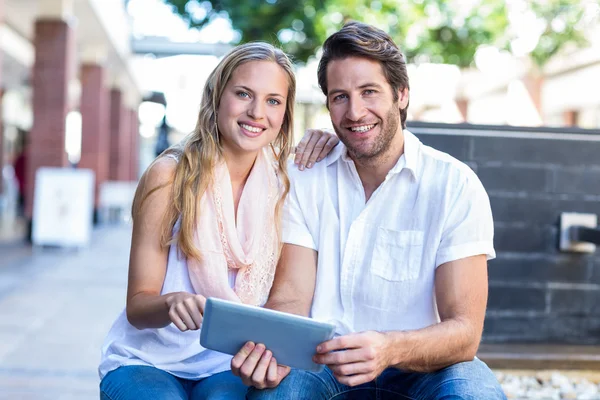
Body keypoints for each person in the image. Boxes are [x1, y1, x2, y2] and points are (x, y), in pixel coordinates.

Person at [233, 22, 507, 399]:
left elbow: (464, 333)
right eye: (340, 96)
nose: (355, 112)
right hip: (321, 363)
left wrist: (390, 347)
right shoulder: (306, 178)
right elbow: (292, 297)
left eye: (369, 92)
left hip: (423, 367)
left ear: (402, 94)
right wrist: (274, 349)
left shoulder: (454, 185)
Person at [98, 42, 338, 400]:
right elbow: (137, 306)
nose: (257, 112)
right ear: (217, 95)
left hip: (226, 365)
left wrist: (330, 139)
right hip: (147, 361)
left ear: (285, 114)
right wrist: (170, 302)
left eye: (273, 101)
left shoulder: (288, 183)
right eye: (243, 94)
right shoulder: (169, 176)